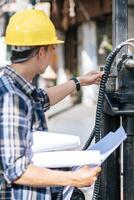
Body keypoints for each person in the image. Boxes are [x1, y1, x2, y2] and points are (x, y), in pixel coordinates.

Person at [0, 9, 103, 200]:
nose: (52, 54)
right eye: (52, 49)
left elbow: (43, 98)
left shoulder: (14, 85)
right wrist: (73, 179)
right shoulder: (13, 98)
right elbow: (16, 170)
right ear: (41, 52)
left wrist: (80, 81)